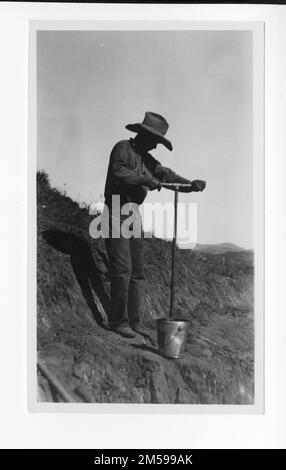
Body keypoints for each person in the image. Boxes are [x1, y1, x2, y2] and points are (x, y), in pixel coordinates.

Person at [103, 112, 206, 338]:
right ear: (143, 135)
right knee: (122, 270)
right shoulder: (123, 148)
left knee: (137, 272)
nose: (156, 146)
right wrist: (144, 179)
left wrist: (190, 185)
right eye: (155, 141)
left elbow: (166, 175)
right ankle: (117, 321)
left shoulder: (148, 160)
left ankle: (134, 321)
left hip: (133, 213)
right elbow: (118, 172)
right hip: (116, 209)